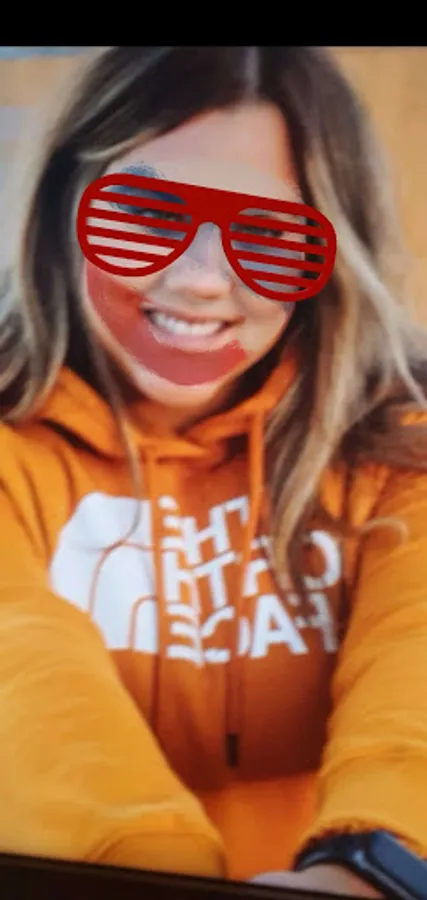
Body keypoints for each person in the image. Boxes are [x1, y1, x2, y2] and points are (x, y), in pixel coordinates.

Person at [0, 46, 427, 899]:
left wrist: (374, 867)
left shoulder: (400, 448)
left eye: (268, 235)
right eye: (145, 214)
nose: (199, 280)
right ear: (59, 212)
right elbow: (23, 684)